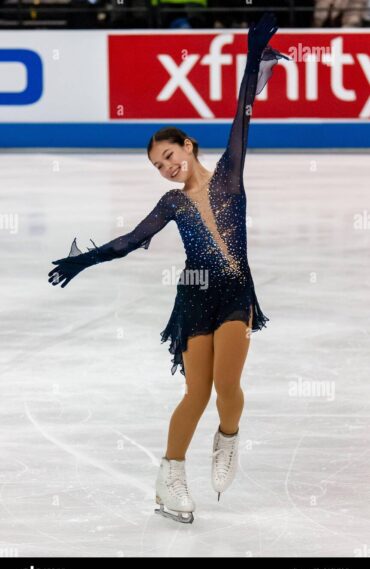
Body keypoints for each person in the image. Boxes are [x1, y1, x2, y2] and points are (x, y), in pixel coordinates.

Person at [48, 12, 288, 524]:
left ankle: (227, 439)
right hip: (193, 295)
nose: (166, 167)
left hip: (235, 293)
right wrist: (83, 260)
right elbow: (131, 241)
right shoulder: (172, 204)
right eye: (158, 165)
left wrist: (252, 56)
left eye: (169, 155)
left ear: (188, 146)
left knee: (226, 389)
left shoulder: (228, 175)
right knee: (195, 391)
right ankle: (170, 475)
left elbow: (243, 114)